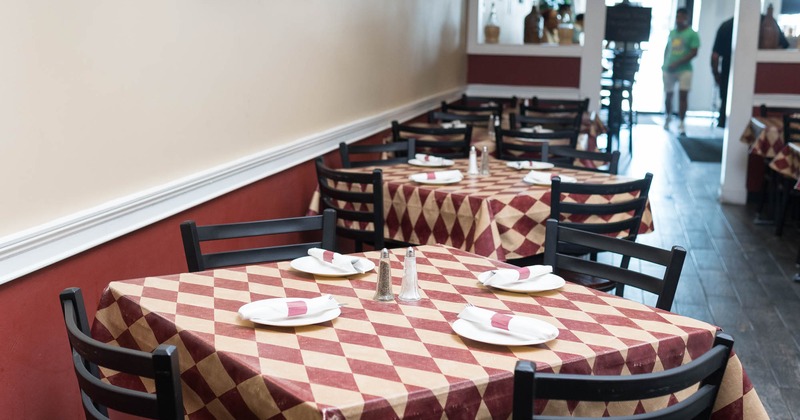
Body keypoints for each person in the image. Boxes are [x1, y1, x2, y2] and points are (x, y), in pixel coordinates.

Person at [662, 8, 699, 136]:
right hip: (669, 69)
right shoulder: (672, 33)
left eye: (681, 17)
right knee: (668, 95)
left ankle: (682, 122)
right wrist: (665, 64)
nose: (679, 20)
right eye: (677, 17)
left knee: (683, 96)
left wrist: (677, 63)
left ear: (686, 18)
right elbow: (667, 49)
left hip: (684, 70)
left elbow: (694, 52)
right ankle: (668, 117)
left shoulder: (692, 34)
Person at [711, 18, 733, 128]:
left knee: (725, 100)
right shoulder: (760, 22)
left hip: (727, 70)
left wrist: (716, 73)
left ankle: (723, 121)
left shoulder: (726, 25)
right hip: (730, 70)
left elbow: (715, 56)